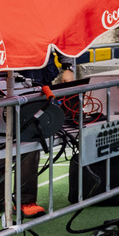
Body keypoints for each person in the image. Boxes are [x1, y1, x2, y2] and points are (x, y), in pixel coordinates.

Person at [10, 51, 79, 218]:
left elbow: (60, 40)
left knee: (30, 142)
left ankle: (26, 201)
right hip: (7, 81)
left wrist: (68, 67)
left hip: (36, 83)